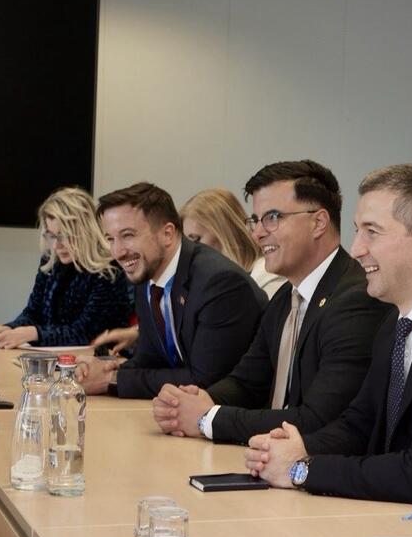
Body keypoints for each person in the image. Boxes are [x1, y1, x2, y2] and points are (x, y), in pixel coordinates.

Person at [244, 163, 412, 507]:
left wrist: (302, 469)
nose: (356, 248)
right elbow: (359, 424)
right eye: (357, 231)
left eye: (372, 232)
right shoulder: (394, 322)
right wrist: (291, 450)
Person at [151, 161, 387, 444]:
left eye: (273, 217)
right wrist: (191, 401)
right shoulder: (285, 298)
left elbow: (318, 420)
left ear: (318, 223)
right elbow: (247, 382)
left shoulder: (356, 301)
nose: (258, 233)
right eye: (255, 220)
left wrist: (206, 419)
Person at [80, 182, 266, 399]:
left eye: (128, 235)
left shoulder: (220, 282)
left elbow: (205, 380)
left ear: (167, 234)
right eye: (110, 239)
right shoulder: (147, 275)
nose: (117, 252)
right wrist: (102, 371)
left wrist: (111, 380)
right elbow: (150, 360)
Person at [91, 187, 281, 356]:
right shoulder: (173, 281)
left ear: (227, 234)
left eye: (194, 239)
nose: (185, 248)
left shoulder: (262, 279)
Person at [0, 187, 131, 348]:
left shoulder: (109, 270)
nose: (57, 245)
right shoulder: (50, 261)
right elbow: (33, 313)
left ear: (85, 231)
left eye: (65, 235)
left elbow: (84, 333)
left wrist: (33, 333)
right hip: (54, 357)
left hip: (98, 358)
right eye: (51, 236)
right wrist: (9, 329)